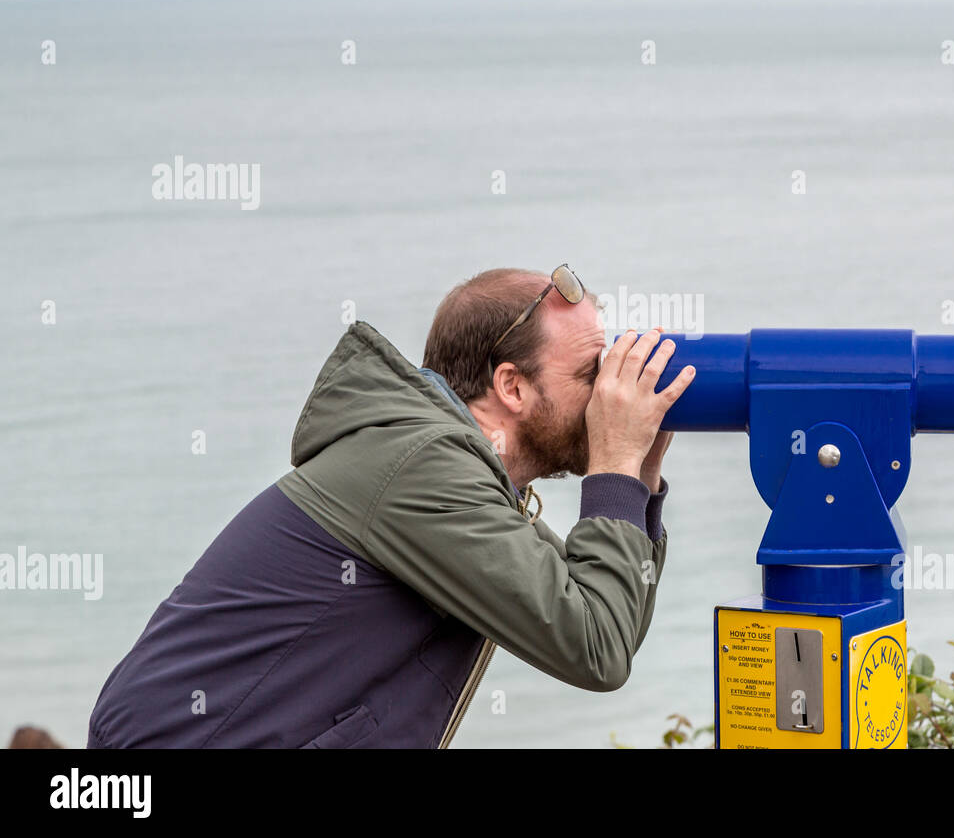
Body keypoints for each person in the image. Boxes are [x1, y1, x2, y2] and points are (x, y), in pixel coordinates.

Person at [86, 265, 695, 748]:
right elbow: (595, 648)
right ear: (512, 387)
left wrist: (637, 474)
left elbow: (605, 618)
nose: (607, 393)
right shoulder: (422, 469)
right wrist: (613, 463)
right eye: (593, 371)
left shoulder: (445, 467)